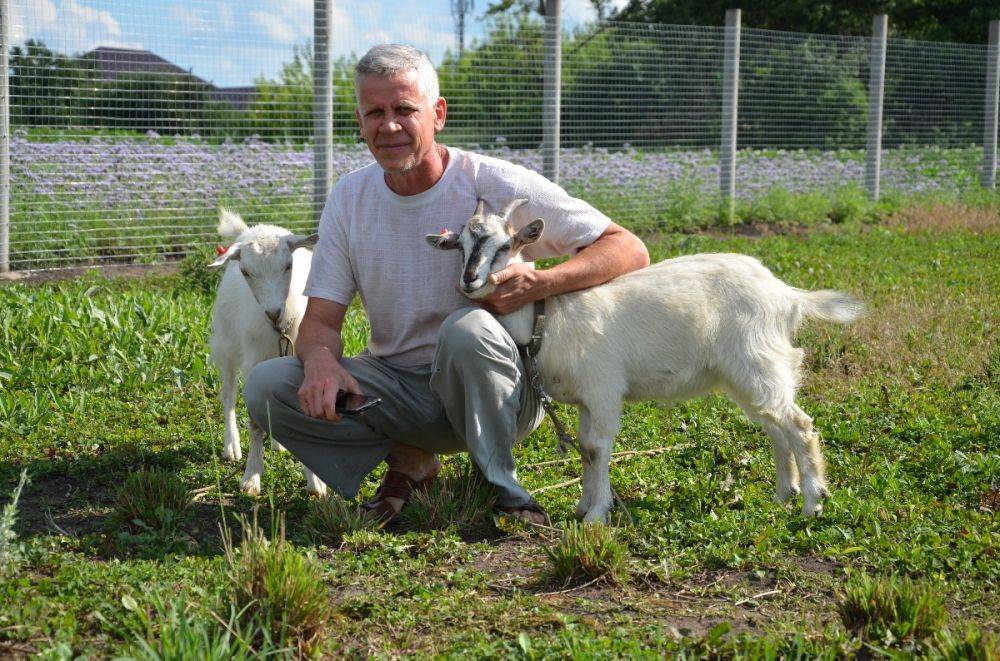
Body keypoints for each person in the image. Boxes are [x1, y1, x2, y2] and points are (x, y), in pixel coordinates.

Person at [244, 44, 648, 524]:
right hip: (397, 388)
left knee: (467, 328)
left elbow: (627, 248)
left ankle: (502, 485)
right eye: (375, 112)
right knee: (267, 385)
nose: (388, 125)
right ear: (359, 121)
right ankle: (410, 460)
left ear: (437, 114)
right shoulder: (350, 198)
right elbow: (320, 323)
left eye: (404, 109)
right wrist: (319, 362)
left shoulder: (494, 181)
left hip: (501, 386)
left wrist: (541, 284)